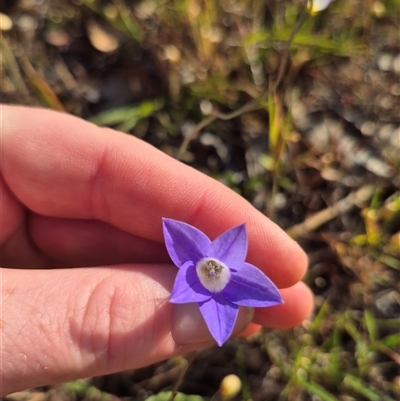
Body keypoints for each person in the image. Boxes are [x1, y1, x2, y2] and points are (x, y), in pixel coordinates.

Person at [0, 105, 314, 395]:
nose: (213, 269)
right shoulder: (189, 247)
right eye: (211, 267)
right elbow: (180, 279)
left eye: (214, 268)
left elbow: (258, 293)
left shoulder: (222, 262)